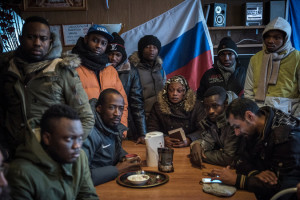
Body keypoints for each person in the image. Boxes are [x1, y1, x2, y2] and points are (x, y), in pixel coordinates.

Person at [0, 16, 94, 159]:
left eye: (43, 38)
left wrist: (67, 149)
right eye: (31, 37)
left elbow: (86, 117)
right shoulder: (7, 69)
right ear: (21, 39)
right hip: (16, 155)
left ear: (50, 41)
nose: (37, 43)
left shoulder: (62, 70)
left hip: (53, 155)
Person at [211, 98, 300, 200]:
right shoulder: (257, 123)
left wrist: (237, 180)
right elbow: (240, 160)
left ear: (250, 116)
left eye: (237, 126)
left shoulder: (285, 137)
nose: (236, 133)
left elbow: (282, 190)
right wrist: (255, 173)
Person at [6, 104, 99, 199]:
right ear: (47, 138)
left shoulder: (79, 157)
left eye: (79, 138)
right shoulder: (21, 173)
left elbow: (88, 196)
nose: (77, 146)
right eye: (69, 139)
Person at [72, 24, 129, 135]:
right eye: (95, 40)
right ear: (86, 39)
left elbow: (123, 103)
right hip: (84, 132)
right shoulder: (73, 68)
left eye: (103, 43)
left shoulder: (111, 71)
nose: (99, 46)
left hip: (109, 132)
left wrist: (121, 129)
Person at [244, 17, 300, 118]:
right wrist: (254, 115)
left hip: (288, 116)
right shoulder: (255, 59)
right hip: (259, 114)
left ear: (285, 39)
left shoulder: (297, 58)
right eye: (268, 37)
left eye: (276, 37)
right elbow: (248, 92)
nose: (270, 41)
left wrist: (295, 120)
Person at [82, 89, 141, 186]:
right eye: (112, 107)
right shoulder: (88, 133)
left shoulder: (111, 126)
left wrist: (126, 158)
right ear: (99, 108)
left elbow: (114, 150)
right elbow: (82, 178)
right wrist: (117, 169)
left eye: (121, 108)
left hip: (108, 182)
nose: (117, 113)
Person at [106, 32, 147, 143]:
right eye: (110, 54)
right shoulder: (100, 70)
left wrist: (142, 133)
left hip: (126, 123)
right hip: (104, 123)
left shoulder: (131, 72)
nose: (113, 58)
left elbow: (137, 104)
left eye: (117, 55)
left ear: (122, 56)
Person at [147, 75, 205, 148]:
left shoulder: (196, 106)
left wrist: (189, 139)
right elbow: (152, 128)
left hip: (190, 147)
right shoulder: (158, 106)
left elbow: (203, 129)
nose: (174, 94)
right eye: (171, 90)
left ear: (185, 92)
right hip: (165, 146)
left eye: (179, 90)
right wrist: (163, 138)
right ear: (166, 91)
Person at [190, 86, 240, 167]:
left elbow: (228, 158)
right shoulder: (213, 119)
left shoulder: (234, 121)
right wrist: (196, 145)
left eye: (215, 106)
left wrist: (202, 155)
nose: (210, 111)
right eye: (207, 107)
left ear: (225, 104)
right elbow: (209, 140)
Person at [129, 35, 166, 118]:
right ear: (141, 50)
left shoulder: (161, 70)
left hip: (162, 115)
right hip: (142, 117)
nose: (151, 50)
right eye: (147, 47)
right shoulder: (133, 70)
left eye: (155, 47)